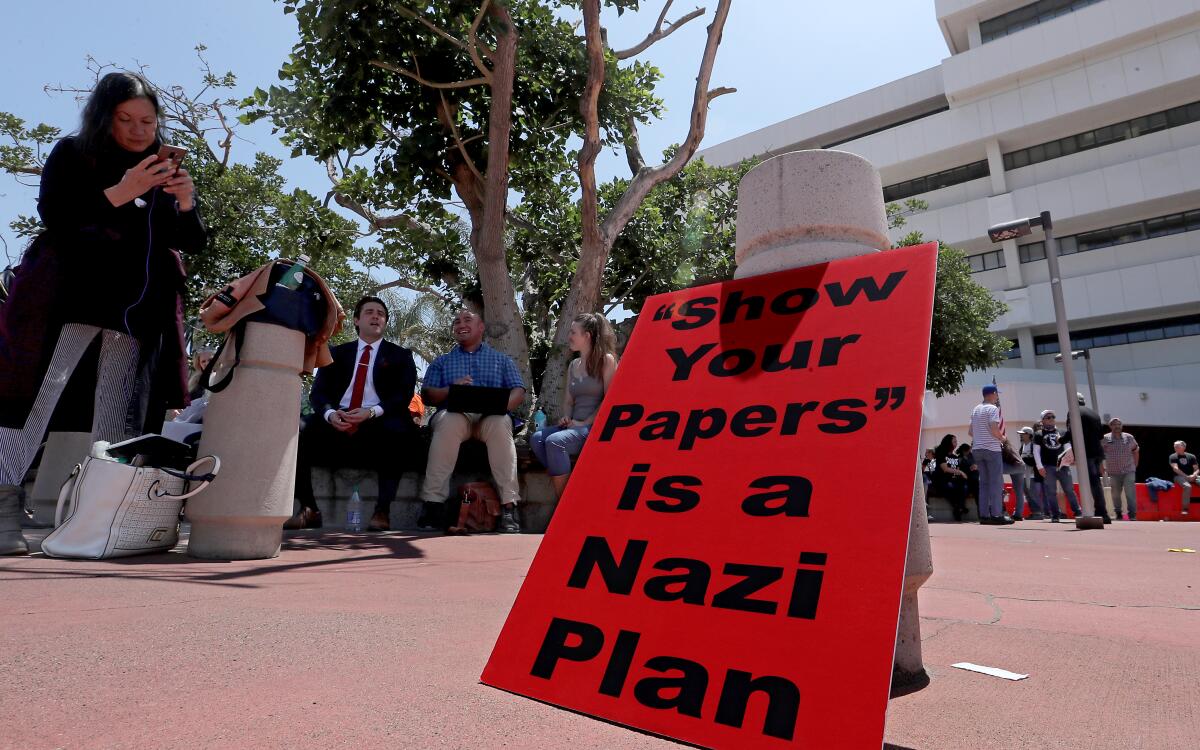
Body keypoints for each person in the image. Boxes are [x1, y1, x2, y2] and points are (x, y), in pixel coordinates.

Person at [0, 72, 205, 556]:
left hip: (136, 306)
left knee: (118, 408)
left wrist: (185, 201)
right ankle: (4, 505)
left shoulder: (162, 166)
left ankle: (103, 516)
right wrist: (123, 189)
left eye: (148, 120)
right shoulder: (74, 153)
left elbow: (190, 241)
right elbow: (56, 217)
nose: (138, 130)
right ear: (104, 117)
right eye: (126, 119)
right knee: (34, 397)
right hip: (67, 297)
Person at [285, 296, 419, 532]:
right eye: (369, 312)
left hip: (379, 419)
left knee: (398, 432)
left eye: (381, 313)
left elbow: (403, 395)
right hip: (338, 418)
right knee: (298, 430)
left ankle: (382, 511)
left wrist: (371, 412)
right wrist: (330, 415)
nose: (376, 316)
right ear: (356, 320)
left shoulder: (401, 356)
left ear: (385, 322)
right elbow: (319, 394)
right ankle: (309, 508)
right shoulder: (336, 354)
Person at [419, 307, 526, 533]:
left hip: (491, 418)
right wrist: (451, 390)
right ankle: (433, 505)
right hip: (455, 416)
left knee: (500, 424)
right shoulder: (442, 362)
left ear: (481, 327)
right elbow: (427, 395)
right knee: (449, 421)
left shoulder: (502, 360)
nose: (460, 324)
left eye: (467, 319)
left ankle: (509, 506)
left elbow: (519, 391)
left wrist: (500, 406)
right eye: (456, 321)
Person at [530, 313, 618, 498]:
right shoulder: (573, 365)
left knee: (554, 441)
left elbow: (610, 400)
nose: (569, 336)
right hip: (575, 426)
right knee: (537, 438)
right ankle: (573, 492)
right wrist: (566, 417)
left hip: (594, 427)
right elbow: (569, 401)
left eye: (573, 332)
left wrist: (584, 422)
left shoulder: (606, 360)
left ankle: (564, 501)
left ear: (587, 336)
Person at [1063, 393, 1111, 523]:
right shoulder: (1094, 414)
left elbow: (1072, 432)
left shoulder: (1073, 412)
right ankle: (1102, 512)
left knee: (1092, 483)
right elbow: (1101, 436)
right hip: (1097, 452)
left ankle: (1099, 511)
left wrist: (1061, 440)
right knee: (1096, 482)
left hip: (1086, 453)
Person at [968, 384, 1012, 524]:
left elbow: (970, 432)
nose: (997, 396)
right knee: (996, 482)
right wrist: (1002, 438)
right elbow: (994, 429)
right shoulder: (992, 409)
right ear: (992, 394)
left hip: (978, 449)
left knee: (984, 483)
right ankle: (997, 514)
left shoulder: (975, 409)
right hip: (992, 449)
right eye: (996, 394)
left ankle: (984, 515)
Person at [1034, 409, 1080, 522]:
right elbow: (1036, 451)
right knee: (1051, 492)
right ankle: (1055, 514)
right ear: (1042, 420)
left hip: (1063, 466)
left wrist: (1069, 459)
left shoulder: (1063, 432)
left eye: (1053, 417)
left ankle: (1078, 512)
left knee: (1069, 489)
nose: (1051, 419)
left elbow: (1068, 447)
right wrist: (1039, 466)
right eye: (1048, 417)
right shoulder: (1038, 434)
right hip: (1048, 466)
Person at [1101, 417, 1139, 520]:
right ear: (1110, 426)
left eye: (1119, 424)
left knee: (1130, 492)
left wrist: (1135, 464)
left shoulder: (1129, 437)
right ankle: (1118, 513)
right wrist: (1102, 467)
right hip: (1113, 472)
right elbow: (1100, 454)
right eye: (1114, 424)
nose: (1117, 426)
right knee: (1116, 494)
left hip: (1128, 470)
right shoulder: (1105, 438)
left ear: (1121, 426)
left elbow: (1135, 450)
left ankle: (1132, 515)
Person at [932, 434, 970, 522]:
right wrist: (960, 472)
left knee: (964, 486)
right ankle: (960, 507)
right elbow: (945, 469)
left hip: (953, 480)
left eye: (956, 441)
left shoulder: (955, 457)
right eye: (954, 442)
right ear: (948, 443)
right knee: (950, 487)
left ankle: (959, 508)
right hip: (942, 481)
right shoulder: (941, 453)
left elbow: (957, 470)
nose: (956, 443)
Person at [1017, 426, 1046, 519]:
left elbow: (1035, 460)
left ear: (1029, 435)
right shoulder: (1023, 446)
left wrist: (1023, 460)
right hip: (1024, 475)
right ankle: (1034, 512)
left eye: (1023, 434)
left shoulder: (1034, 445)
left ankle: (1039, 513)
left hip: (1033, 476)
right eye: (1020, 434)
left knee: (1034, 494)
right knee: (1028, 494)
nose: (1021, 436)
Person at [1169, 441, 1198, 516]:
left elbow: (1197, 469)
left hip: (1191, 476)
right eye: (1174, 446)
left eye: (1177, 446)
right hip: (1178, 477)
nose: (1175, 448)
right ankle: (1185, 509)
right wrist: (1186, 476)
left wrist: (1194, 475)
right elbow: (1175, 469)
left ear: (1184, 447)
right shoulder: (1173, 456)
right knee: (1187, 486)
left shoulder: (1191, 456)